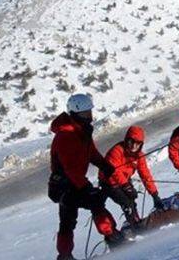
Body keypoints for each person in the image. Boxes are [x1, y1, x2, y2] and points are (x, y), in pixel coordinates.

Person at [48, 93, 123, 260]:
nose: (89, 116)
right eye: (85, 113)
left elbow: (90, 152)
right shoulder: (66, 135)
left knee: (80, 215)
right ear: (75, 113)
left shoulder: (81, 131)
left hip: (74, 182)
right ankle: (112, 238)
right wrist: (86, 189)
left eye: (89, 112)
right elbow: (70, 168)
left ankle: (66, 255)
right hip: (65, 186)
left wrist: (104, 165)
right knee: (83, 213)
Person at [99, 125, 164, 228]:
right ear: (126, 140)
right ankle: (135, 226)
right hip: (109, 182)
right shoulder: (116, 151)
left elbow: (145, 174)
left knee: (132, 201)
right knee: (126, 203)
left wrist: (154, 194)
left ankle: (136, 221)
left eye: (138, 143)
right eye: (131, 141)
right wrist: (126, 186)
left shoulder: (139, 156)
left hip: (124, 180)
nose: (134, 145)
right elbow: (114, 171)